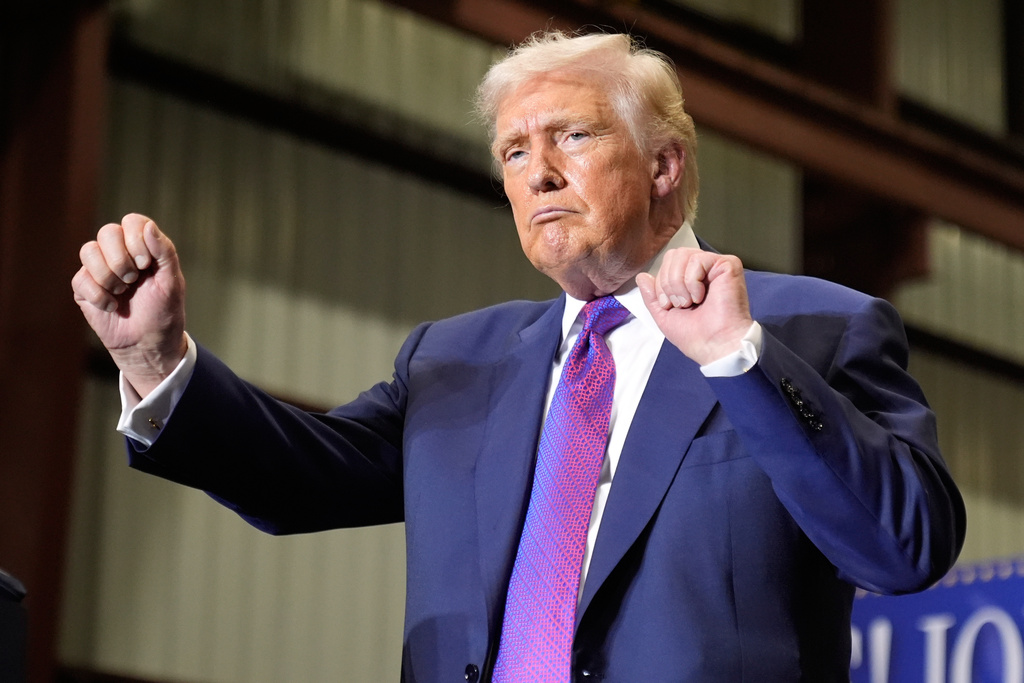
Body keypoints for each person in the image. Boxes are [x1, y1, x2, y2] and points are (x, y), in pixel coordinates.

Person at [73, 30, 965, 682]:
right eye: (512, 150)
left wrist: (740, 356)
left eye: (571, 136)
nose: (536, 172)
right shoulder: (455, 359)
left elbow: (904, 547)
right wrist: (159, 360)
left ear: (664, 166)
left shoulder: (815, 327)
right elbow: (302, 477)